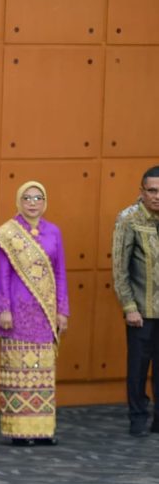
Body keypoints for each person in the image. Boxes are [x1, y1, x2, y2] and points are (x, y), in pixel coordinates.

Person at [0, 181, 69, 445]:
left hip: (45, 314)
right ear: (18, 201)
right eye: (27, 198)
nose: (32, 203)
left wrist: (62, 310)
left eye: (38, 197)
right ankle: (19, 432)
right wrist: (4, 309)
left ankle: (42, 430)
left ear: (44, 201)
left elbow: (60, 274)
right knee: (19, 371)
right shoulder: (7, 234)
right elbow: (1, 275)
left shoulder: (53, 232)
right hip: (17, 314)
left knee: (42, 371)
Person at [112, 166, 159, 436]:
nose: (156, 196)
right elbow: (120, 269)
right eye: (151, 190)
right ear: (141, 191)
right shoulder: (128, 219)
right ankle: (138, 417)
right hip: (141, 310)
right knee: (138, 368)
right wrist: (129, 307)